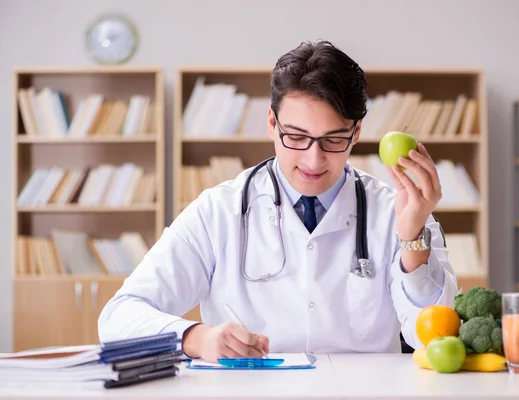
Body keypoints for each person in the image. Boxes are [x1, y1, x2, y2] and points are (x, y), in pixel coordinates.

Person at [98, 40, 459, 363]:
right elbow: (118, 317)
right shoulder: (218, 212)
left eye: (333, 139)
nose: (313, 160)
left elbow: (434, 339)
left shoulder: (400, 211)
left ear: (357, 132)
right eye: (297, 137)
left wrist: (412, 238)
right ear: (272, 123)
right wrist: (195, 337)